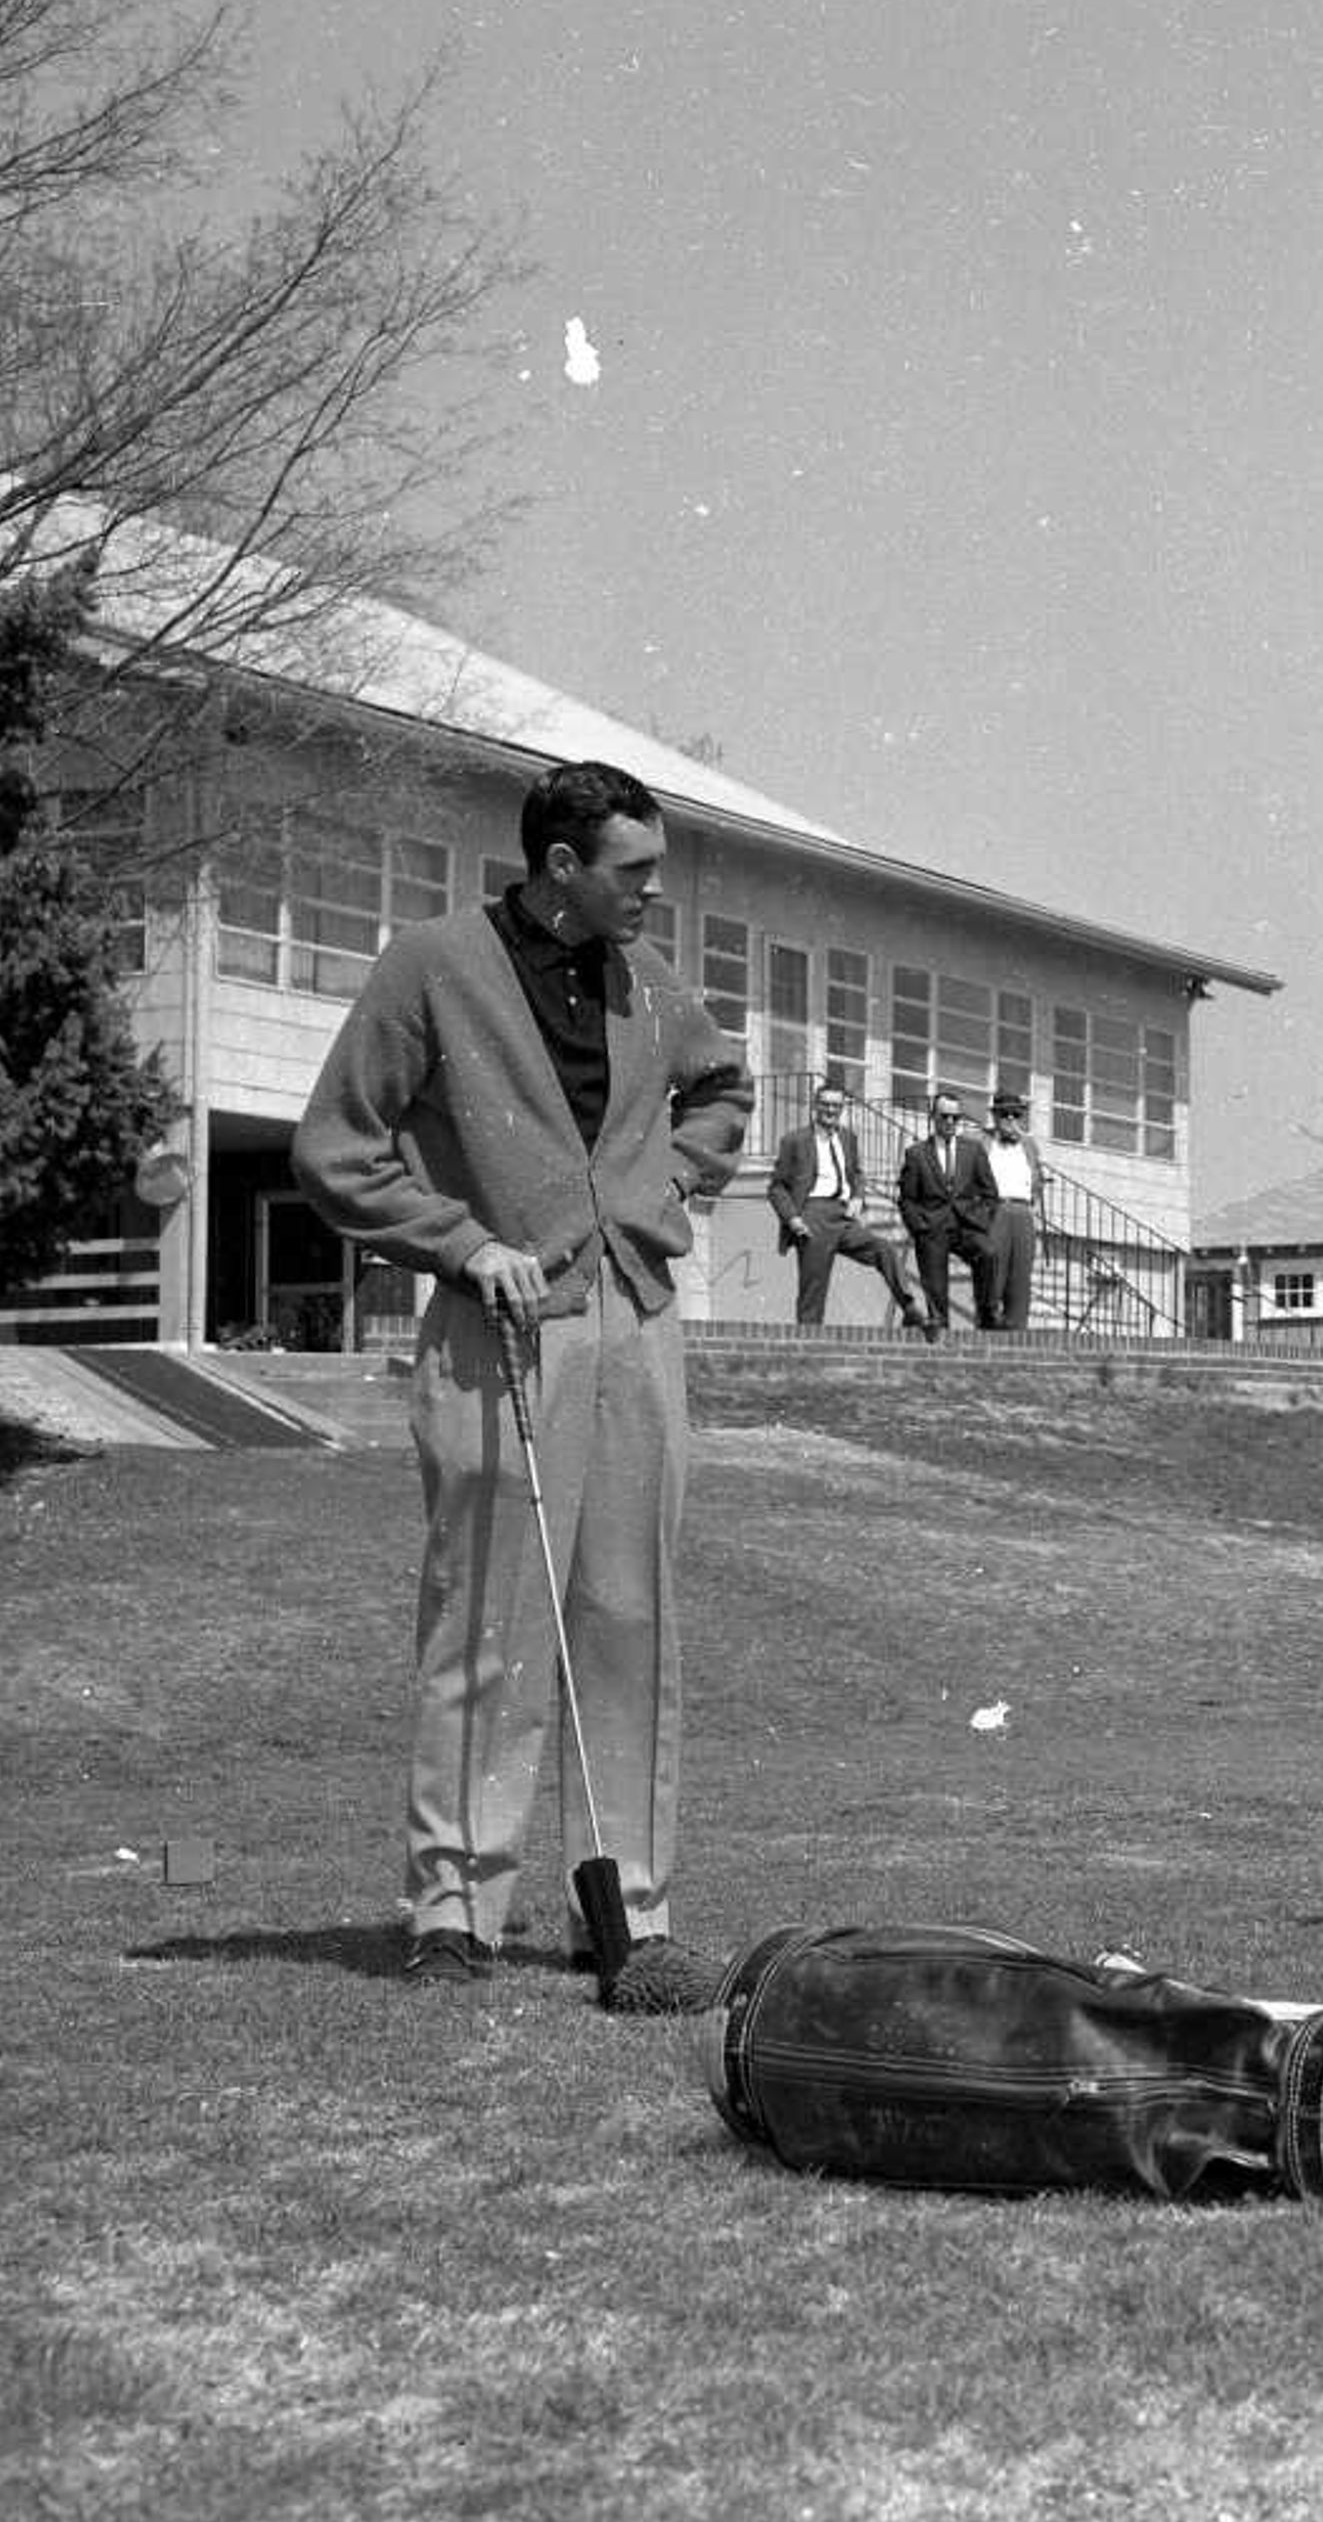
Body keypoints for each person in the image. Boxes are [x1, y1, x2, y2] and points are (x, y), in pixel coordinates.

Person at [290, 759, 752, 2008]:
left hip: (638, 1326)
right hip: (499, 1327)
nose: (653, 891)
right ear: (561, 867)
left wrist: (668, 1188)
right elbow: (335, 1149)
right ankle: (455, 1910)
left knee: (630, 1617)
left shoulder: (652, 987)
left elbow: (722, 1090)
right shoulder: (429, 965)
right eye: (633, 870)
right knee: (486, 1622)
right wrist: (459, 1238)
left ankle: (632, 1915)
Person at [766, 1080, 929, 1329]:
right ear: (815, 1105)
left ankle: (908, 1307)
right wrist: (792, 1219)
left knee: (883, 1249)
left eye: (836, 1106)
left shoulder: (848, 1138)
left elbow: (857, 1174)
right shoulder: (795, 1140)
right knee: (814, 1288)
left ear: (842, 1109)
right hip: (812, 1214)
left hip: (842, 1215)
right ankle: (807, 1348)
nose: (831, 1111)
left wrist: (858, 1197)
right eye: (825, 1105)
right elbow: (777, 1187)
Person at [897, 1087, 990, 1335]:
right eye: (944, 1116)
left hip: (966, 1225)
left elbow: (990, 1194)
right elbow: (906, 1199)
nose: (950, 1122)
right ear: (933, 1118)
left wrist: (980, 1220)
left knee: (989, 1253)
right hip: (932, 1227)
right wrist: (919, 1227)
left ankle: (987, 1318)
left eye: (955, 1117)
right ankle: (941, 1329)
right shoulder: (916, 1154)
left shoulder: (973, 1151)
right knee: (936, 1283)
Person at [972, 1087, 1046, 1331]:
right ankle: (986, 1331)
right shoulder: (981, 1141)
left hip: (1023, 1213)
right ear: (995, 1117)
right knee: (993, 1277)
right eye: (1005, 1115)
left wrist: (1033, 1203)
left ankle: (1017, 1332)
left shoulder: (1029, 1146)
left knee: (1020, 1281)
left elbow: (1037, 1181)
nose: (1011, 1120)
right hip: (996, 1211)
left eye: (1016, 1115)